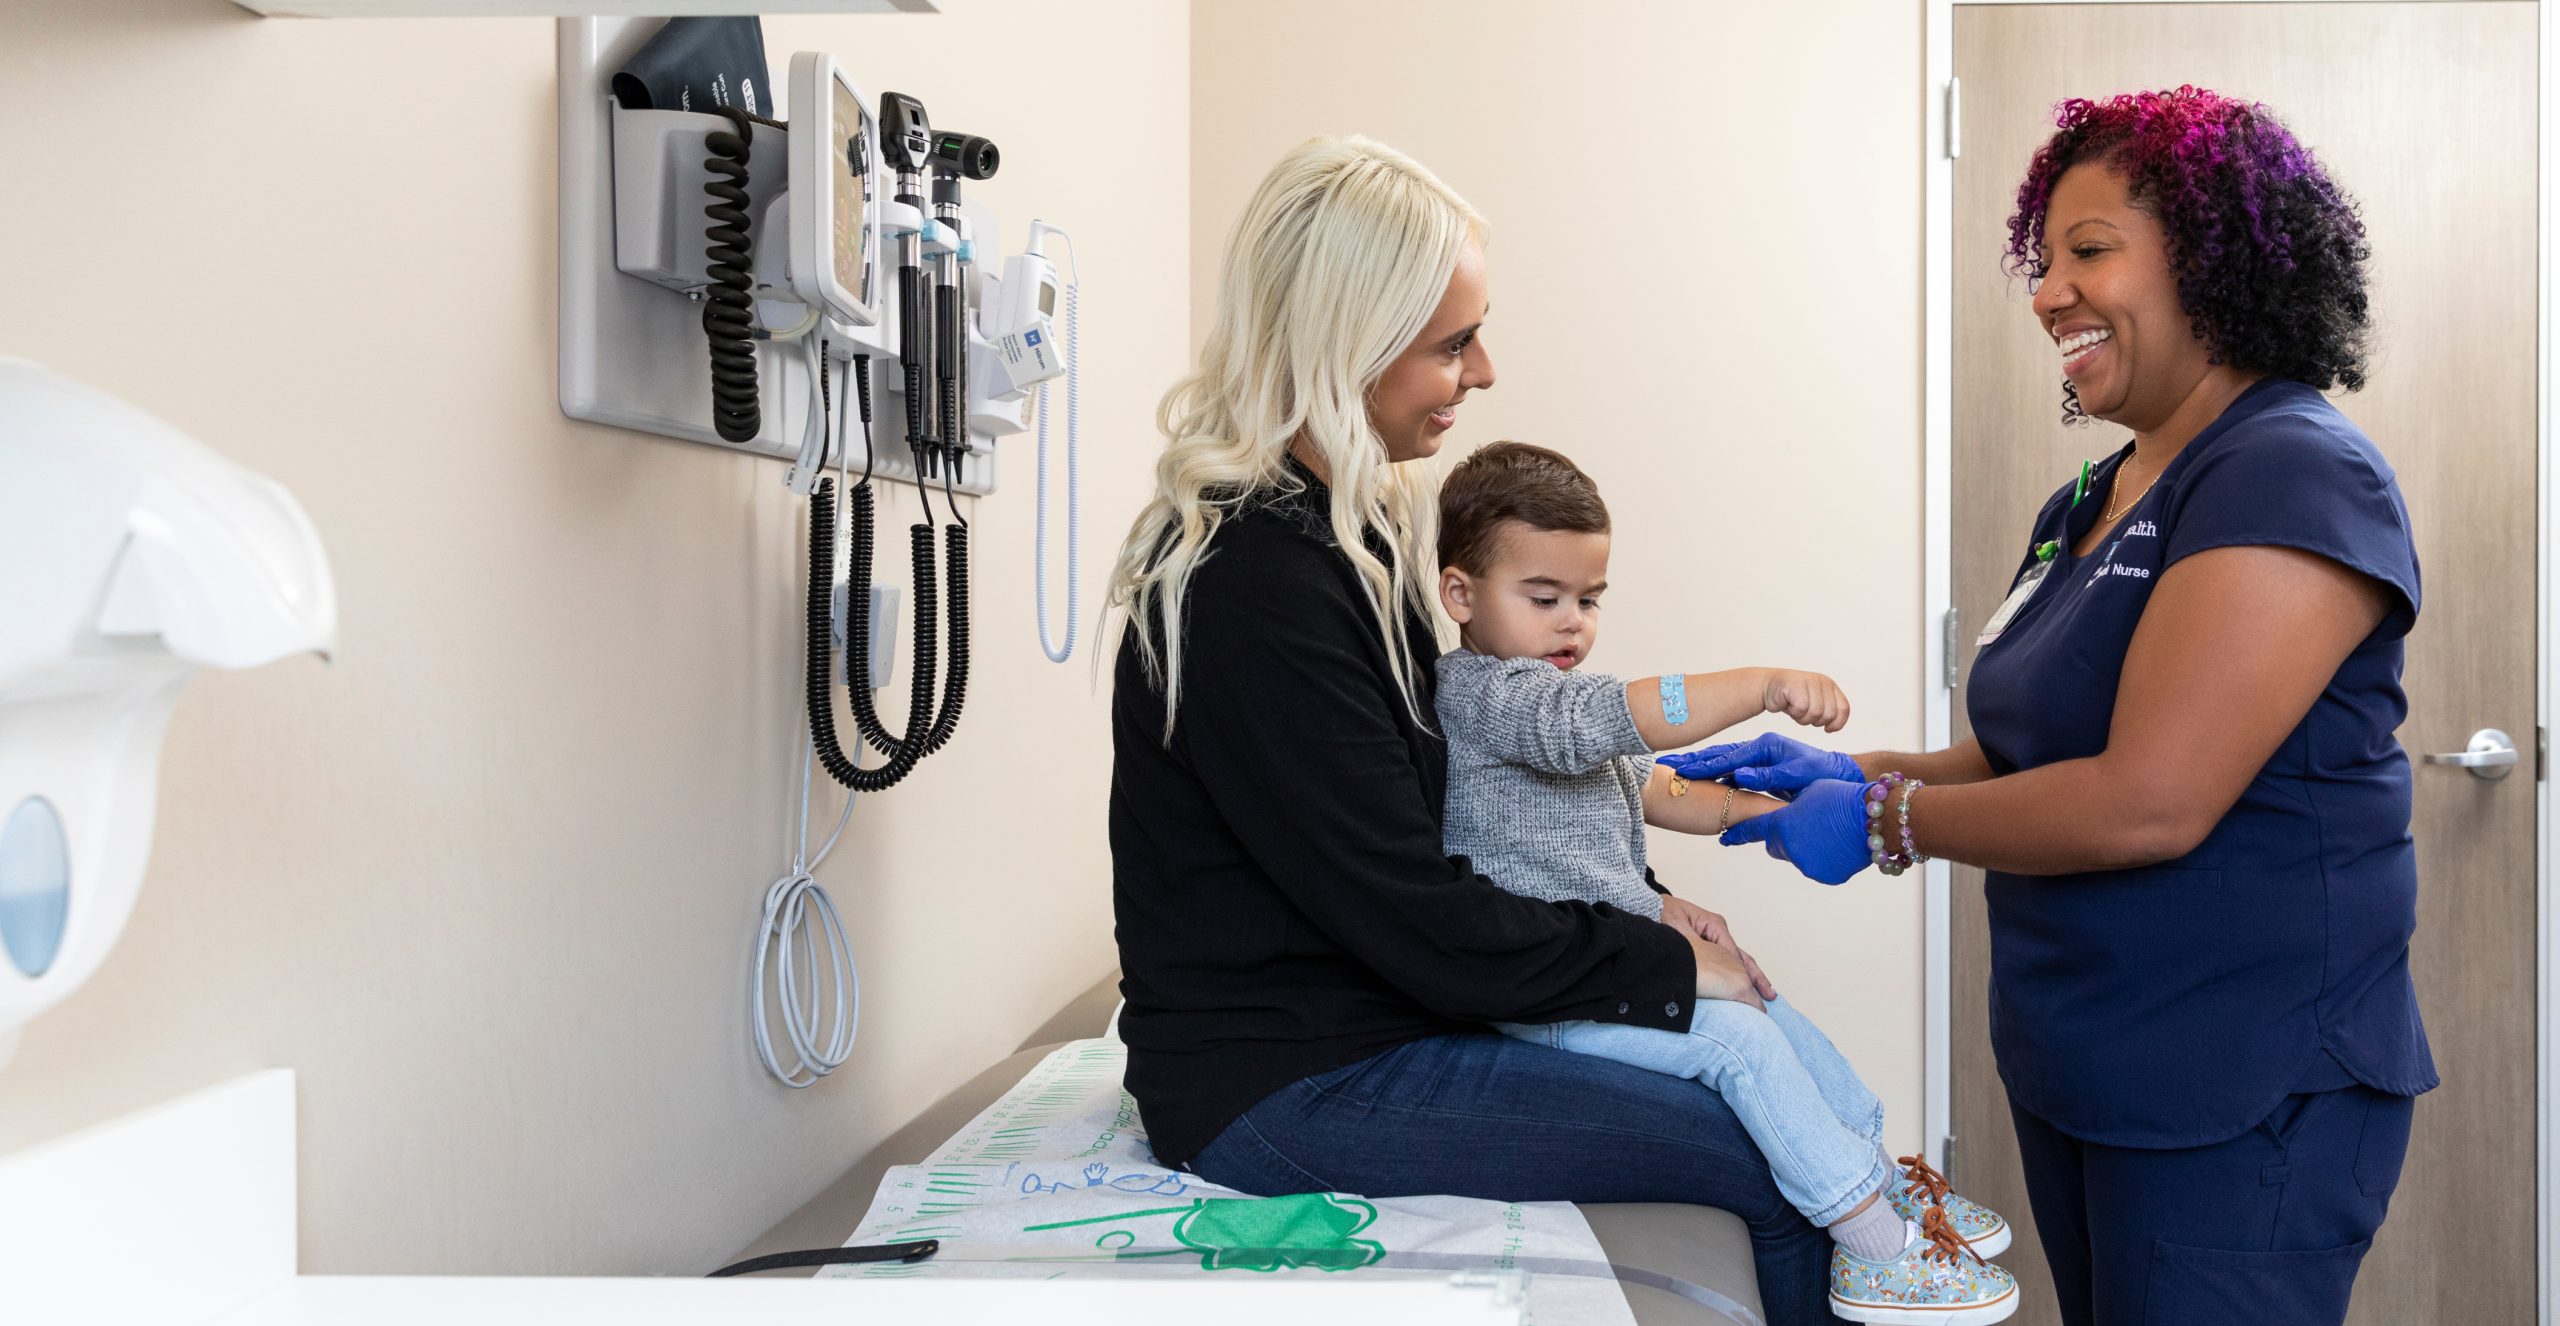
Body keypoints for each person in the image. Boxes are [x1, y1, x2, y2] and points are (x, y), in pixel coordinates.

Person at [1666, 88, 2430, 1326]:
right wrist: (1857, 771)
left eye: (2089, 250)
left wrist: (1887, 824)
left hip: (2236, 1075)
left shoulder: (2289, 469)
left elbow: (2149, 801)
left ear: (2212, 259)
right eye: (2043, 259)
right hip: (2088, 1055)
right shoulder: (2092, 498)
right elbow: (2023, 749)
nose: (2046, 294)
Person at [1103, 135, 1838, 1322]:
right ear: (1349, 336)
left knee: (1764, 1088)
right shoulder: (1252, 581)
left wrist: (1637, 899)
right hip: (1285, 1085)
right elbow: (1415, 913)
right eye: (1454, 341)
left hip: (1379, 1016)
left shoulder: (1353, 541)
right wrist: (1653, 964)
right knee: (1761, 1161)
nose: (1483, 369)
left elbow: (1470, 801)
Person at [1432, 440, 2019, 1323]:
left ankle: (1882, 1178)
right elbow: (1600, 720)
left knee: (1770, 1009)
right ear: (1460, 595)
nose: (1572, 624)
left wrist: (1785, 810)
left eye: (1588, 601)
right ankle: (1872, 1246)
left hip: (1620, 970)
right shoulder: (1480, 696)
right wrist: (1764, 685)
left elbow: (1666, 794)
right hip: (1549, 993)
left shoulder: (1565, 713)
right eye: (1544, 598)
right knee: (1735, 1047)